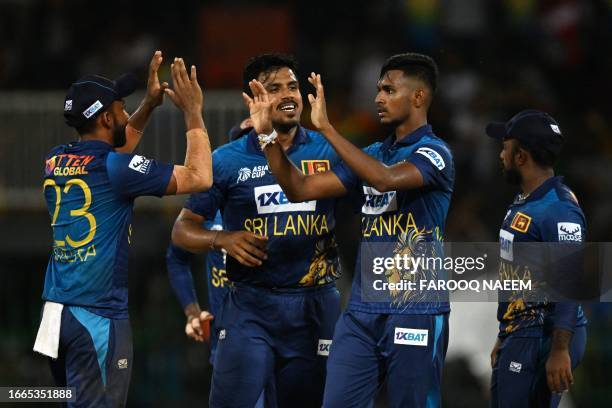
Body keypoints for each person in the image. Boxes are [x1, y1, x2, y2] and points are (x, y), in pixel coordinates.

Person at [245, 52, 454, 407]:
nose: (378, 98)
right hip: (361, 309)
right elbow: (299, 189)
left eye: (388, 90)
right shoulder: (373, 152)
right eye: (378, 90)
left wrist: (326, 128)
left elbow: (385, 180)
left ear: (418, 97)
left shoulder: (435, 153)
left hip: (414, 305)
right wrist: (267, 138)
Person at [33, 52, 213, 407]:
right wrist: (192, 111)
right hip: (96, 318)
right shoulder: (114, 169)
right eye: (120, 107)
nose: (125, 112)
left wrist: (148, 105)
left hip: (56, 315)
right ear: (104, 117)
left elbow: (114, 153)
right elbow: (201, 177)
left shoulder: (57, 159)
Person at [171, 53, 342, 407]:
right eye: (274, 88)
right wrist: (222, 239)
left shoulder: (329, 150)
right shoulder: (227, 160)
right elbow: (182, 231)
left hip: (314, 305)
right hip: (250, 308)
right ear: (253, 99)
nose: (288, 95)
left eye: (293, 86)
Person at [486, 110, 587, 407]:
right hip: (521, 331)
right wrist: (505, 333)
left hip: (544, 334)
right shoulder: (528, 199)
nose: (500, 154)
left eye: (505, 146)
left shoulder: (558, 210)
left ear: (521, 156)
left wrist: (559, 351)